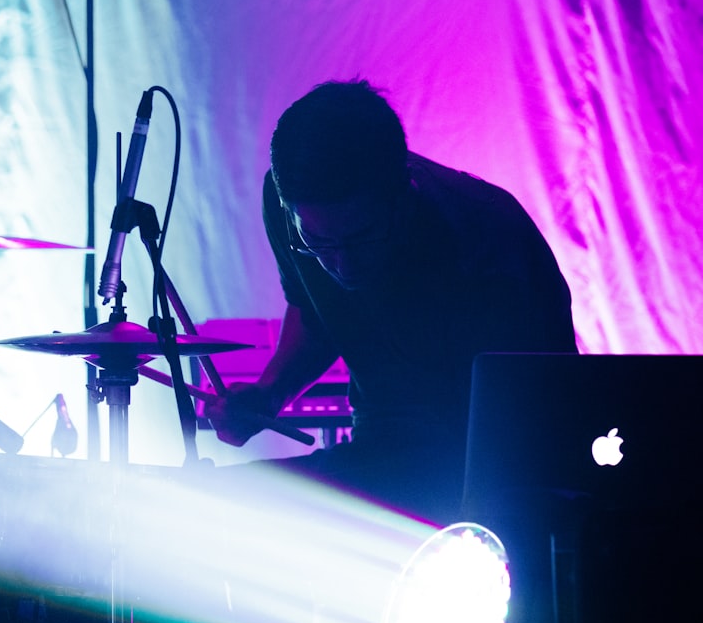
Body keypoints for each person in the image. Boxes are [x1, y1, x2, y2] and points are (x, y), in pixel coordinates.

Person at [206, 79, 578, 527]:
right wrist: (269, 394)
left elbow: (536, 421)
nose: (342, 265)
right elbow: (316, 310)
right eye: (320, 243)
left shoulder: (487, 246)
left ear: (404, 191)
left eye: (362, 238)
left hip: (493, 473)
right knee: (210, 508)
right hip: (379, 450)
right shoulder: (288, 206)